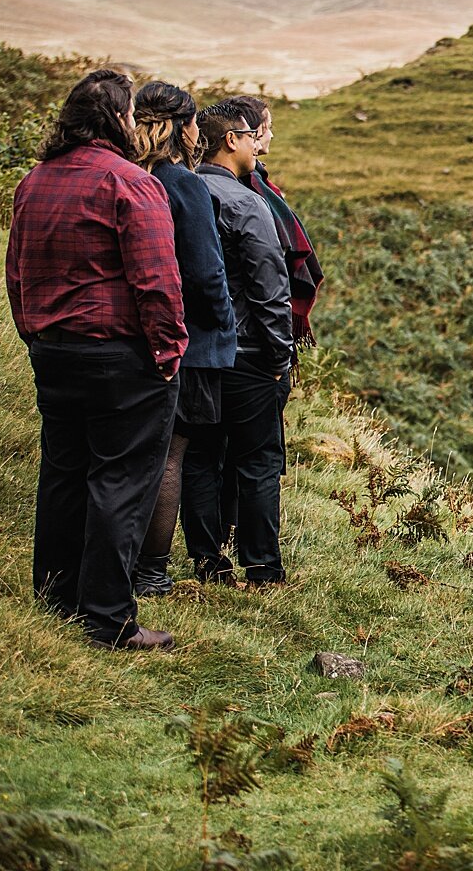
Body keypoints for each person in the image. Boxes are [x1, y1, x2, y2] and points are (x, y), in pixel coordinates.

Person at [4, 68, 187, 649]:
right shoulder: (129, 182)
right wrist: (168, 349)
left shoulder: (34, 181)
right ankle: (107, 618)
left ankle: (55, 596)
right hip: (119, 355)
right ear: (119, 119)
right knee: (121, 479)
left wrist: (33, 333)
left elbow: (17, 269)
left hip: (54, 351)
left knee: (62, 472)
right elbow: (157, 278)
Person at [128, 83, 238, 598]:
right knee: (170, 455)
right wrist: (224, 322)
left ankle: (119, 556)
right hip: (186, 342)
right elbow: (205, 270)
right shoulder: (184, 185)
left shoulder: (126, 175)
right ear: (184, 127)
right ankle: (151, 569)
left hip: (128, 336)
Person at [180, 102, 294, 587]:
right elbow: (271, 286)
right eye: (251, 135)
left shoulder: (177, 193)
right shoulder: (247, 203)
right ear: (230, 140)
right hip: (247, 351)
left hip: (194, 351)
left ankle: (208, 561)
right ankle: (263, 566)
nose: (256, 144)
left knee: (201, 455)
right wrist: (279, 356)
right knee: (258, 460)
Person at [222, 95, 322, 350]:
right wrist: (279, 351)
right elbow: (267, 262)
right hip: (250, 331)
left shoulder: (256, 182)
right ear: (254, 132)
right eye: (268, 127)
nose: (271, 136)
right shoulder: (252, 188)